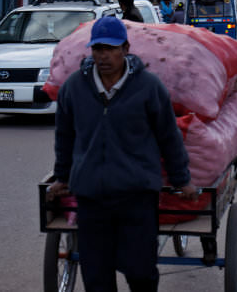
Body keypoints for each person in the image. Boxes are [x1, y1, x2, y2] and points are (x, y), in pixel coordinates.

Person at [51, 16, 197, 292]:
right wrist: (62, 175)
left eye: (110, 48)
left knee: (140, 272)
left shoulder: (148, 88)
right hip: (91, 196)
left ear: (126, 49)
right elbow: (65, 137)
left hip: (137, 195)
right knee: (96, 279)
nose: (103, 56)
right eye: (98, 49)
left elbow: (168, 136)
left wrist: (181, 179)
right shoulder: (74, 88)